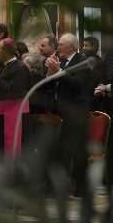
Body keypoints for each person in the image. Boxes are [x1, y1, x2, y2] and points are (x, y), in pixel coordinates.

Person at [45, 33, 90, 197]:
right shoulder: (61, 61)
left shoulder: (82, 61)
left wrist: (59, 71)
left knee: (78, 151)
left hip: (76, 113)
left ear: (71, 46)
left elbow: (77, 85)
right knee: (59, 150)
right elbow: (53, 85)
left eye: (61, 44)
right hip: (60, 112)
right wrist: (51, 73)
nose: (58, 47)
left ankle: (81, 188)